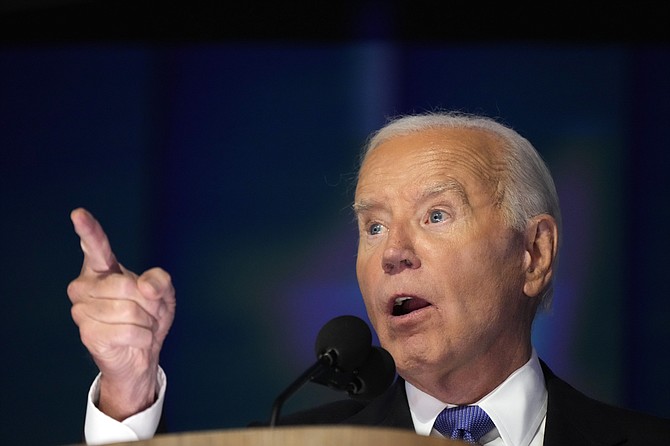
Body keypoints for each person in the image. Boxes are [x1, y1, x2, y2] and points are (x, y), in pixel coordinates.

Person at [68, 111, 670, 445]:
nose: (393, 254)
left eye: (436, 215)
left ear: (533, 255)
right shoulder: (288, 445)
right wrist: (128, 387)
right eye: (374, 227)